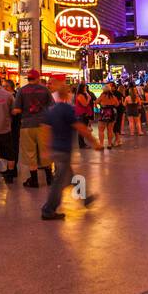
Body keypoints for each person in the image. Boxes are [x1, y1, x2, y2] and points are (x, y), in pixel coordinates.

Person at [40, 79, 99, 221]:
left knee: (71, 177)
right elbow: (80, 127)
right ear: (66, 94)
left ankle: (86, 198)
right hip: (63, 151)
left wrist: (46, 149)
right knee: (59, 181)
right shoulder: (67, 110)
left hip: (55, 149)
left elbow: (45, 130)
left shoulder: (51, 110)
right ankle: (48, 209)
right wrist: (94, 141)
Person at [15, 69, 55, 184]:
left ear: (28, 79)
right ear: (37, 78)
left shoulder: (21, 91)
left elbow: (16, 110)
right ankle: (49, 178)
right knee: (45, 150)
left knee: (30, 152)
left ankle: (34, 180)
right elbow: (52, 107)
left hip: (27, 125)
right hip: (43, 124)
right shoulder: (45, 90)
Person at [97, 82, 119, 148]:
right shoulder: (113, 96)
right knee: (110, 130)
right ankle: (109, 144)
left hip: (104, 112)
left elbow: (96, 102)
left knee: (101, 129)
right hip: (112, 112)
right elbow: (117, 104)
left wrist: (101, 104)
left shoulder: (102, 95)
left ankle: (101, 144)